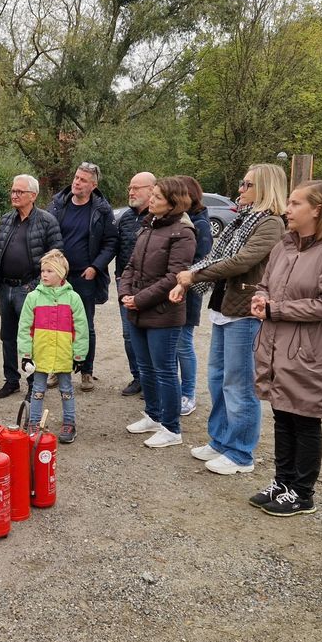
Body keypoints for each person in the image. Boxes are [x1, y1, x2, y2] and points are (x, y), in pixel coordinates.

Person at [170, 163, 286, 475]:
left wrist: (194, 275)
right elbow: (220, 255)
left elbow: (241, 261)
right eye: (242, 183)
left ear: (265, 188)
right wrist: (192, 279)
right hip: (225, 307)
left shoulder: (271, 223)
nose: (240, 190)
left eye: (247, 185)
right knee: (219, 379)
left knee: (240, 384)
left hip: (246, 312)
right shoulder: (241, 221)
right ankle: (220, 439)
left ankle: (241, 453)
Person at [249, 180, 322, 516]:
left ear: (318, 209)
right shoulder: (285, 245)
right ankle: (282, 482)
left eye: (295, 204)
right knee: (282, 414)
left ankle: (302, 492)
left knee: (306, 419)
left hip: (311, 350)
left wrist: (276, 309)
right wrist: (261, 297)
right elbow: (266, 283)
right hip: (278, 344)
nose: (287, 209)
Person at [120, 177, 197, 449]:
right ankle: (153, 415)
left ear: (173, 202)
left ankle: (171, 427)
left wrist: (139, 299)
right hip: (138, 309)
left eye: (157, 197)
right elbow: (130, 266)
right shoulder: (148, 227)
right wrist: (124, 294)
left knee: (164, 371)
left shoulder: (182, 232)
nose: (150, 200)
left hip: (163, 313)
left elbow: (175, 277)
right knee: (145, 368)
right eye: (151, 195)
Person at [0, 174, 63, 400]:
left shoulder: (47, 221)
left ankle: (34, 384)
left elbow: (56, 257)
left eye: (19, 192)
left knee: (32, 339)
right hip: (6, 289)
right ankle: (11, 380)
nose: (14, 195)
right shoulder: (6, 219)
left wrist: (36, 286)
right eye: (12, 191)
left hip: (30, 289)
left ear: (33, 195)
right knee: (7, 336)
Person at [47, 161, 118, 391]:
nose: (77, 183)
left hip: (85, 276)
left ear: (93, 185)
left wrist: (95, 267)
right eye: (76, 178)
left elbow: (110, 242)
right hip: (60, 277)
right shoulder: (58, 204)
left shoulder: (102, 210)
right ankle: (58, 369)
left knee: (85, 326)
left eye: (83, 180)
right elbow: (48, 234)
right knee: (56, 324)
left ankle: (86, 371)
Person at [17, 250, 88, 443]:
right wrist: (25, 354)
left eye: (49, 271)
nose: (44, 275)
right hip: (40, 354)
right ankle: (34, 423)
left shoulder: (74, 298)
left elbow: (81, 329)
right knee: (37, 390)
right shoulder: (33, 298)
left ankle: (69, 423)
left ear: (61, 274)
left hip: (65, 354)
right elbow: (24, 328)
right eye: (43, 271)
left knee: (66, 390)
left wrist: (79, 356)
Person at [174, 176, 213, 416]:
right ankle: (177, 391)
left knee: (183, 345)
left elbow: (203, 262)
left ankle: (188, 394)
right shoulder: (180, 220)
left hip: (187, 294)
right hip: (173, 292)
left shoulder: (199, 224)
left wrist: (186, 283)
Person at [114, 171, 155, 396]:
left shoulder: (159, 217)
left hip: (150, 285)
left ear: (152, 190)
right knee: (129, 334)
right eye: (130, 188)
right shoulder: (126, 217)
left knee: (151, 334)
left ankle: (153, 380)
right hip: (124, 282)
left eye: (136, 188)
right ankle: (138, 377)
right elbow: (115, 246)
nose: (131, 192)